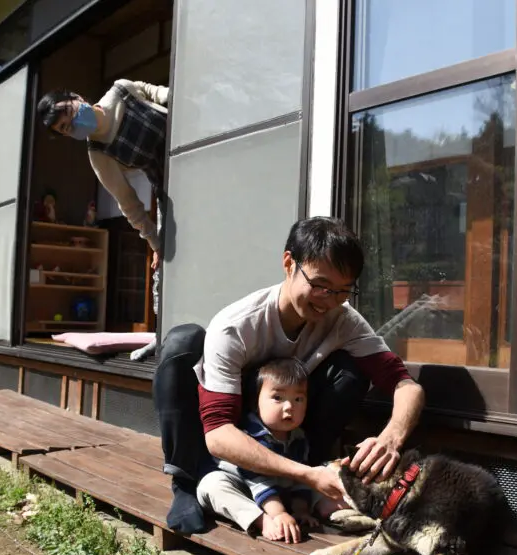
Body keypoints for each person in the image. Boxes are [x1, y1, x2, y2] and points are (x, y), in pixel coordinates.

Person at [154, 217, 426, 535]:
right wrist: (307, 476)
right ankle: (186, 481)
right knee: (182, 344)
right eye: (320, 286)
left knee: (351, 371)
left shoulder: (344, 320)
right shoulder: (236, 327)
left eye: (342, 291)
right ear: (289, 263)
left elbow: (405, 384)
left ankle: (306, 475)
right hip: (236, 427)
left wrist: (391, 438)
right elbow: (218, 433)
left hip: (291, 436)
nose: (328, 300)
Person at [37, 79, 167, 360]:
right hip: (169, 187)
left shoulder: (122, 91)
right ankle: (166, 335)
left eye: (68, 113)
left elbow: (168, 95)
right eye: (64, 128)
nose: (71, 124)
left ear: (76, 96)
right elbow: (129, 204)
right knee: (166, 269)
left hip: (199, 149)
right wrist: (156, 242)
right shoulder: (98, 154)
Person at [197, 357, 320, 544]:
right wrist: (278, 514)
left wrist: (300, 510)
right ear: (256, 402)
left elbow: (301, 479)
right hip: (243, 488)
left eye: (298, 399)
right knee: (211, 486)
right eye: (278, 398)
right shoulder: (251, 434)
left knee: (317, 482)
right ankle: (260, 520)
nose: (289, 407)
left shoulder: (299, 438)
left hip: (276, 493)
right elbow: (257, 480)